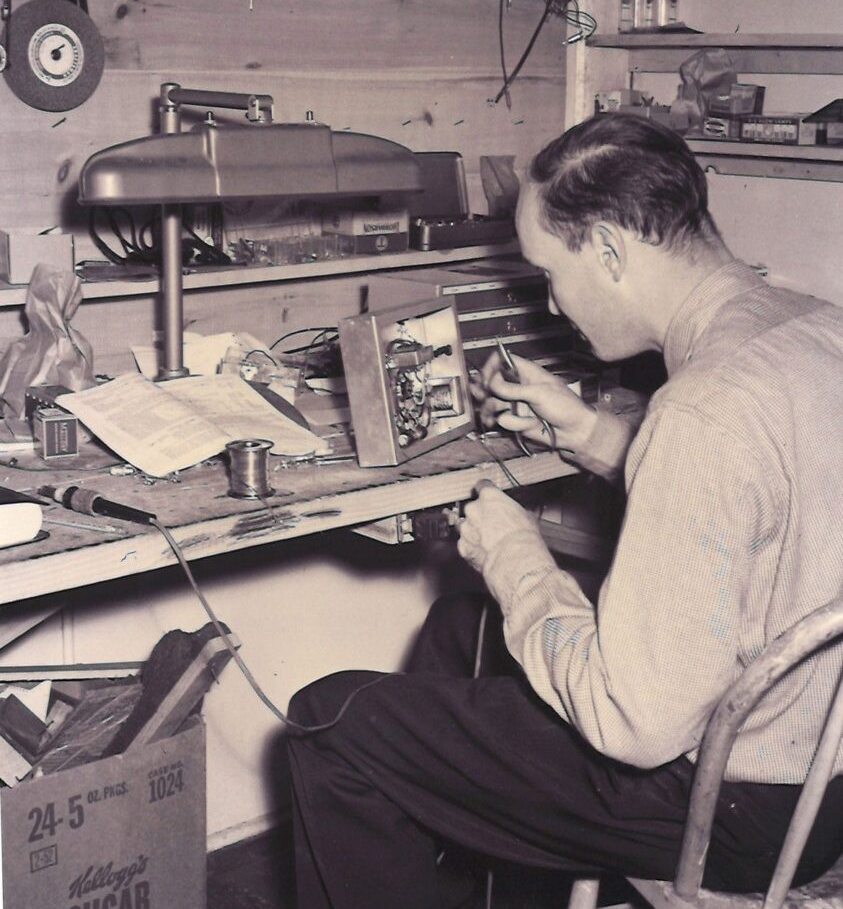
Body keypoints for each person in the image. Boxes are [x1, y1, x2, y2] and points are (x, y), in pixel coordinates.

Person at [285, 114, 843, 908]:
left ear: (610, 252)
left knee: (332, 722)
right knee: (457, 628)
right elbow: (763, 505)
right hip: (825, 772)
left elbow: (634, 727)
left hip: (734, 809)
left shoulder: (700, 411)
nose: (551, 304)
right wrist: (593, 435)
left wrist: (517, 558)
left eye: (550, 273)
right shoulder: (814, 331)